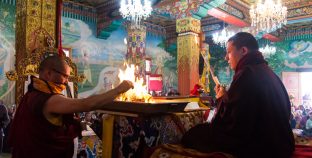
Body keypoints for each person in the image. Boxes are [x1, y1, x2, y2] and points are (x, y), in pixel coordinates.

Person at [181, 32, 294, 157]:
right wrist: (225, 98)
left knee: (194, 134)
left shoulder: (246, 73)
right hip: (283, 142)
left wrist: (220, 100)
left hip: (262, 146)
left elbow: (232, 123)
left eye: (229, 52)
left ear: (244, 50)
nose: (226, 57)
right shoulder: (269, 72)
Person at [8, 54, 133, 158]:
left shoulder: (32, 93)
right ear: (49, 73)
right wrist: (119, 89)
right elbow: (86, 104)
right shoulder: (47, 99)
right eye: (65, 76)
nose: (67, 81)